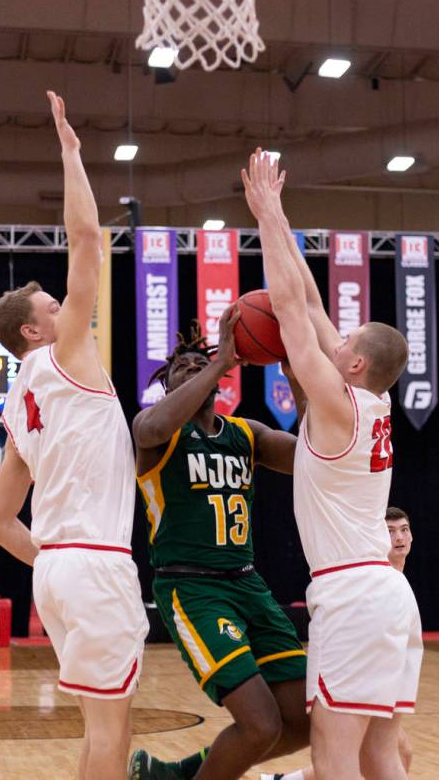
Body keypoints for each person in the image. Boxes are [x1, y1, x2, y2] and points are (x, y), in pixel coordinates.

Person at [242, 150, 422, 780]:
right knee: (378, 752)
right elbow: (312, 305)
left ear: (352, 365)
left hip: (352, 595)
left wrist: (263, 214)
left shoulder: (340, 408)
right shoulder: (375, 399)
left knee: (334, 754)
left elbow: (292, 313)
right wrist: (283, 217)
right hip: (387, 595)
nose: (335, 338)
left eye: (344, 343)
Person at [0, 90, 148, 780]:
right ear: (34, 329)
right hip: (93, 562)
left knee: (102, 727)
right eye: (54, 305)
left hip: (57, 569)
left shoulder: (17, 403)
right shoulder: (66, 355)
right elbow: (87, 240)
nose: (65, 304)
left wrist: (53, 558)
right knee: (113, 731)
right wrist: (72, 152)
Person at [129, 319, 312, 780]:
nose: (193, 369)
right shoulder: (156, 434)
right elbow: (150, 426)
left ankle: (181, 775)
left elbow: (316, 456)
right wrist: (218, 365)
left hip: (249, 585)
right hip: (192, 589)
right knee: (260, 725)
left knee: (304, 723)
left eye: (201, 364)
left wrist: (295, 376)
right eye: (182, 368)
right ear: (167, 386)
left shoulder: (245, 433)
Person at [260, 506, 415, 780]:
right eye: (390, 531)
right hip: (355, 672)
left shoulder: (399, 585)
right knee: (364, 754)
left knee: (392, 753)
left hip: (384, 675)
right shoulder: (369, 580)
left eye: (404, 529)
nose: (399, 537)